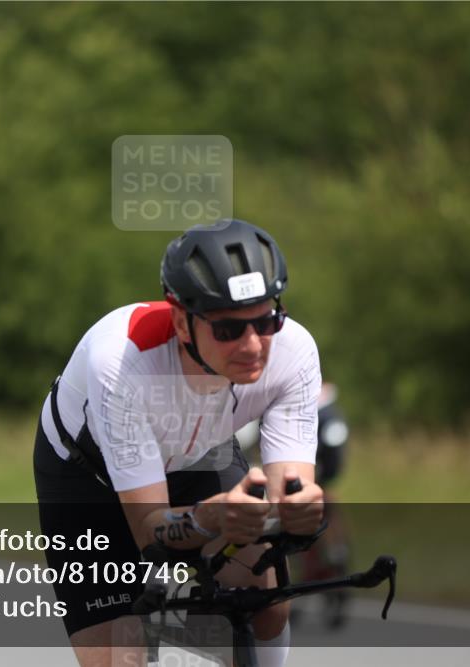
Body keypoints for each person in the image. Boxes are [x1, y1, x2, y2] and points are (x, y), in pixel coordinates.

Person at [33, 219, 325, 667]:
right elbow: (151, 532)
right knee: (118, 657)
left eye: (266, 320)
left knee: (265, 607)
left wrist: (299, 509)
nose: (252, 345)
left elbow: (291, 486)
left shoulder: (294, 351)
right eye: (228, 329)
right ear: (183, 324)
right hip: (87, 478)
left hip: (201, 455)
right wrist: (207, 519)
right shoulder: (124, 360)